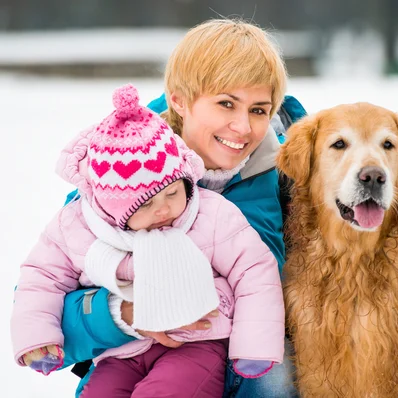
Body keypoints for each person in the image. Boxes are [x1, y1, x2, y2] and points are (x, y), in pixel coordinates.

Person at [58, 19, 305, 398]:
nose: (242, 127)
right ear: (179, 100)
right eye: (226, 103)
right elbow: (46, 295)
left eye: (259, 110)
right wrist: (124, 312)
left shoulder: (285, 171)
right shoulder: (118, 168)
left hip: (240, 355)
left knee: (275, 380)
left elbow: (370, 156)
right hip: (133, 357)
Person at [11, 84, 285, 397]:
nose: (164, 210)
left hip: (195, 346)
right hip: (120, 353)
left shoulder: (210, 214)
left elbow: (255, 272)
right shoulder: (80, 225)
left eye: (172, 193)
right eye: (145, 205)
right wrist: (39, 340)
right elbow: (40, 279)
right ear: (110, 205)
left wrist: (254, 348)